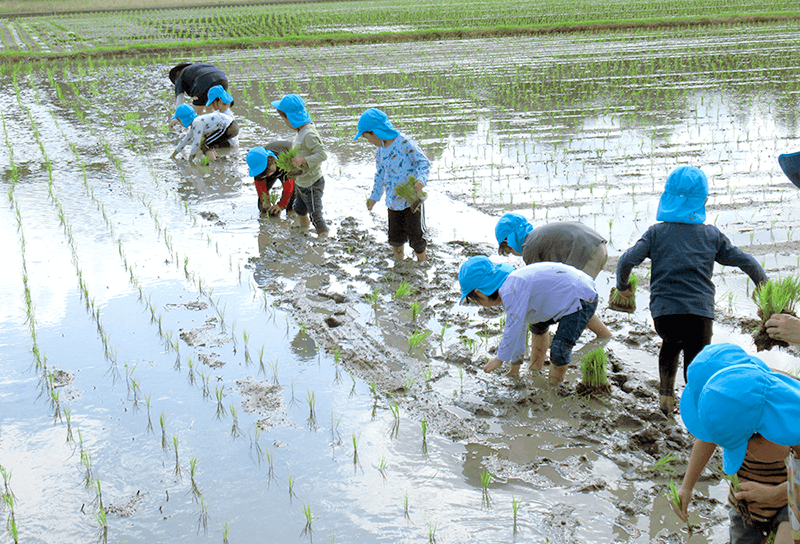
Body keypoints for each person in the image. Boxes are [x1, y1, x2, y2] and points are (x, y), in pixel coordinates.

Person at [615, 165, 768, 414]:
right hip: (700, 314)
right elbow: (746, 261)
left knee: (670, 344)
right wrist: (764, 289)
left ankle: (665, 398)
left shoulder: (655, 233)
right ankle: (695, 410)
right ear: (704, 201)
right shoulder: (711, 235)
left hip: (664, 314)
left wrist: (623, 288)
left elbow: (626, 260)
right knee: (696, 362)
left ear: (666, 198)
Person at [676, 343, 800, 544]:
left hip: (784, 501)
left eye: (741, 443)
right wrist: (687, 487)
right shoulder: (730, 401)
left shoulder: (781, 405)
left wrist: (779, 494)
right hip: (746, 503)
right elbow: (709, 437)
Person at [458, 255, 598, 385]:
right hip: (570, 292)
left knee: (559, 348)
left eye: (477, 301)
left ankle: (554, 388)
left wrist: (499, 359)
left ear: (479, 292)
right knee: (537, 326)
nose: (480, 305)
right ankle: (535, 371)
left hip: (581, 297)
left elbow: (512, 327)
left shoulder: (511, 288)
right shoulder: (510, 285)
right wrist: (515, 367)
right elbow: (519, 328)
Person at [495, 213, 611, 340]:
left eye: (509, 249)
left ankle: (603, 336)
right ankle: (602, 335)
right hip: (596, 245)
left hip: (588, 251)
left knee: (574, 299)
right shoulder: (537, 236)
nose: (512, 252)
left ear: (510, 240)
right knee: (574, 297)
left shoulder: (529, 248)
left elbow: (539, 288)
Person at [354, 108, 430, 262]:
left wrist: (421, 180)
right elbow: (380, 175)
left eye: (367, 137)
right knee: (395, 238)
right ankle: (398, 263)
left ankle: (422, 263)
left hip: (411, 200)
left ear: (374, 132)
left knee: (416, 238)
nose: (368, 141)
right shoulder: (381, 150)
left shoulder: (404, 142)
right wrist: (374, 198)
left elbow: (424, 162)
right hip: (393, 203)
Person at [271, 94, 329, 237]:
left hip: (312, 184)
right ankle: (304, 229)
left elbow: (322, 155)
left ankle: (324, 239)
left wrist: (303, 160)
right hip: (302, 182)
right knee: (299, 209)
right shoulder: (300, 132)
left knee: (316, 215)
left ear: (290, 118)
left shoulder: (309, 134)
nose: (284, 122)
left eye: (284, 119)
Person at [170, 96, 239, 162]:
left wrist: (190, 159)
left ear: (181, 120)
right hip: (229, 126)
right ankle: (217, 158)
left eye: (179, 121)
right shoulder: (195, 123)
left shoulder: (197, 123)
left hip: (229, 127)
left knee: (204, 144)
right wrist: (173, 155)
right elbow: (186, 139)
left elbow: (196, 144)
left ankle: (214, 163)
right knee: (208, 142)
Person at [246, 144, 295, 216]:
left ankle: (292, 214)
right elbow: (260, 187)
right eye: (263, 174)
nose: (269, 175)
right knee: (262, 205)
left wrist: (281, 205)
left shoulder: (283, 161)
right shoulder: (258, 166)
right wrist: (265, 201)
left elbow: (288, 187)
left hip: (290, 165)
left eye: (269, 172)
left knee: (293, 198)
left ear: (272, 160)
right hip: (271, 166)